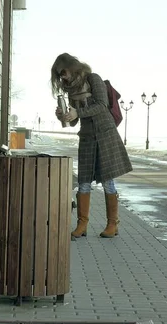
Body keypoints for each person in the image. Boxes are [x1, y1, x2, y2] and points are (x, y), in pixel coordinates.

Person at [51, 53, 133, 238]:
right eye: (59, 75)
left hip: (105, 134)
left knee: (107, 180)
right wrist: (63, 115)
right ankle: (82, 225)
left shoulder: (93, 79)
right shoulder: (70, 89)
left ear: (71, 67)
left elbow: (102, 105)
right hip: (87, 137)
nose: (62, 77)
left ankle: (113, 224)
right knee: (83, 181)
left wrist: (77, 112)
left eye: (63, 72)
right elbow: (73, 121)